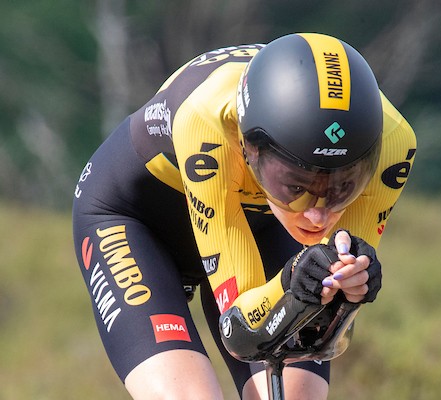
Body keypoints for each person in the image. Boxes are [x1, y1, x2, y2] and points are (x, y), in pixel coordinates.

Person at [72, 32, 416, 399]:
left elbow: (326, 338)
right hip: (135, 219)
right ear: (250, 147)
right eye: (295, 185)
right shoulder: (207, 120)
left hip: (257, 225)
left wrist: (347, 294)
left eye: (342, 186)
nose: (318, 214)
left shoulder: (394, 144)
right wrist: (291, 286)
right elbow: (241, 329)